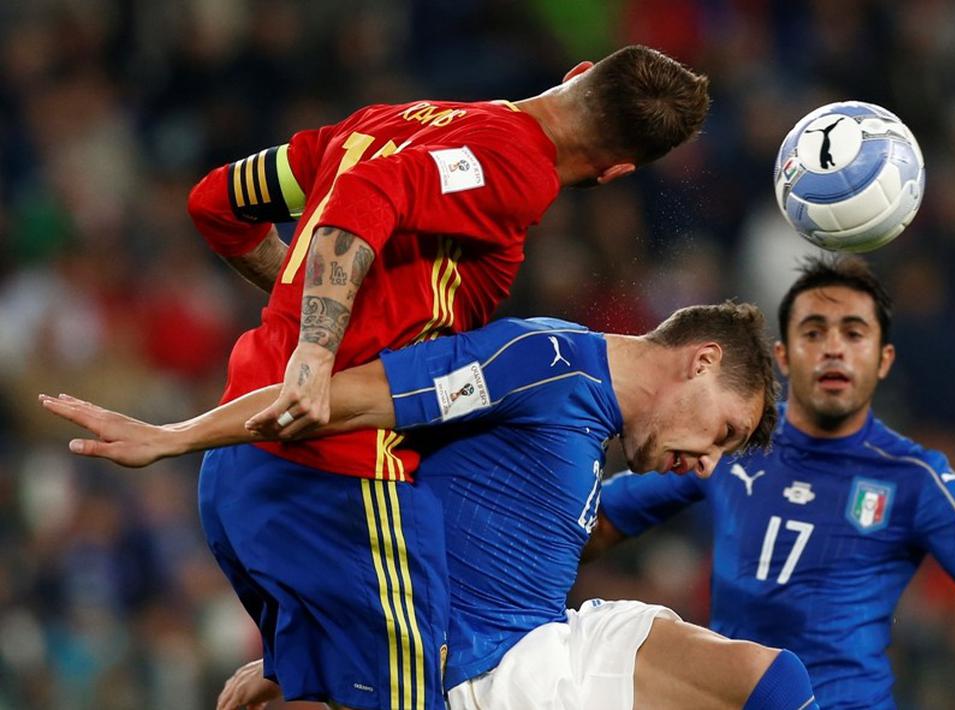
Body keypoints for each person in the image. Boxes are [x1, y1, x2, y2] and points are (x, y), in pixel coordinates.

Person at [180, 45, 710, 709]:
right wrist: (317, 350)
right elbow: (366, 194)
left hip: (239, 463)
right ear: (617, 171)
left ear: (576, 75)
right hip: (338, 469)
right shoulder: (516, 165)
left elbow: (216, 204)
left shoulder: (386, 121)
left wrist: (314, 317)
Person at [43, 303, 818, 710]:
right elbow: (342, 400)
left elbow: (540, 533)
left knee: (768, 681)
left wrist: (308, 658)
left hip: (532, 645)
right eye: (720, 432)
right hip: (492, 674)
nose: (707, 456)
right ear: (702, 359)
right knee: (764, 685)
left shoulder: (583, 422)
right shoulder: (537, 361)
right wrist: (171, 436)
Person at [587, 256, 955, 709]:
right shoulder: (731, 444)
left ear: (884, 359)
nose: (834, 348)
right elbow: (601, 520)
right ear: (783, 357)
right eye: (814, 333)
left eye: (854, 333)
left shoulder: (918, 480)